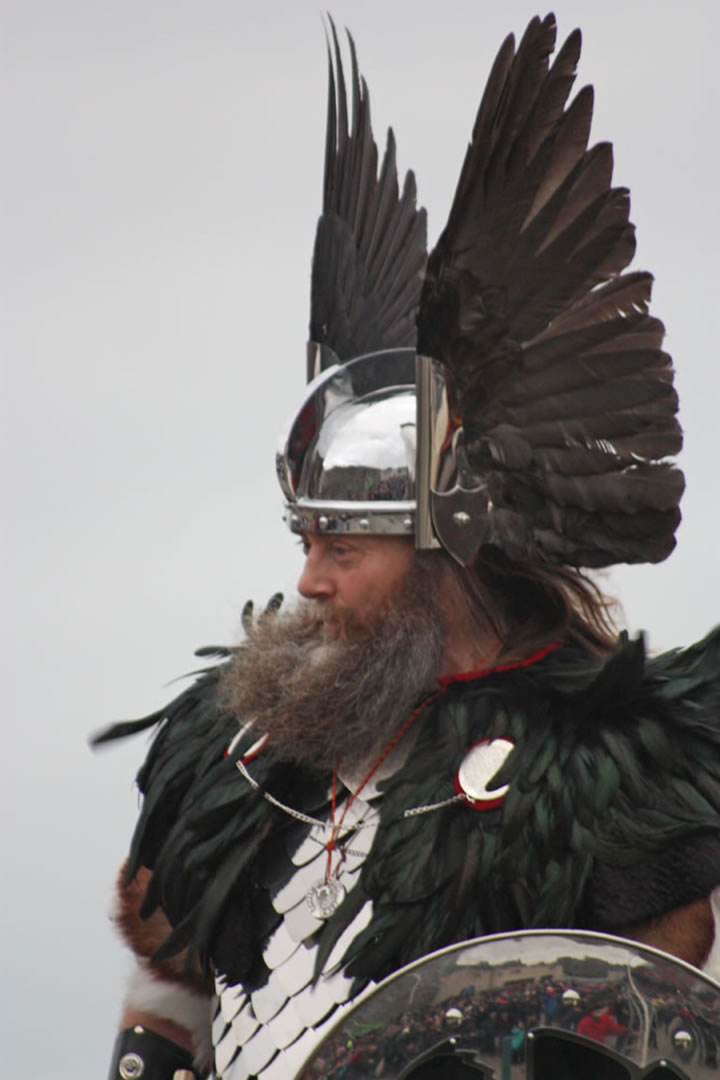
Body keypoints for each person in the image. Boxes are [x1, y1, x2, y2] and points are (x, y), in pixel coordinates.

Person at [96, 13, 720, 1080]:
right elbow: (172, 1016)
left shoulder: (602, 777)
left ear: (445, 547)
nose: (309, 579)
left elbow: (657, 1024)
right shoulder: (232, 755)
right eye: (304, 538)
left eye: (344, 545)